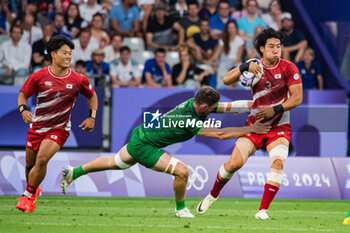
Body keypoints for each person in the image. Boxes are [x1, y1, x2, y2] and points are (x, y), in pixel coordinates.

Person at [60, 86, 270, 217]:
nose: (217, 108)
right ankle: (181, 209)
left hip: (141, 135)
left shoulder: (196, 103)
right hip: (145, 145)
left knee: (116, 162)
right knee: (182, 172)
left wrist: (256, 105)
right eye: (213, 106)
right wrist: (250, 129)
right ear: (204, 106)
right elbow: (220, 135)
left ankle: (74, 172)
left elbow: (229, 107)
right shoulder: (189, 118)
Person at [197, 28, 303, 219]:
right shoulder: (254, 67)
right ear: (262, 48)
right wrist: (244, 66)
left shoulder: (289, 68)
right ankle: (212, 195)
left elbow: (297, 99)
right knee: (233, 164)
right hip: (255, 125)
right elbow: (226, 79)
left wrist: (276, 109)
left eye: (278, 46)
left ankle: (262, 211)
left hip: (279, 126)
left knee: (278, 163)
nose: (276, 50)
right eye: (271, 46)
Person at [15, 35, 98, 213]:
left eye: (70, 53)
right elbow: (22, 94)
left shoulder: (78, 79)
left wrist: (92, 117)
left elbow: (92, 95)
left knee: (42, 159)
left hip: (59, 129)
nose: (68, 56)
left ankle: (26, 196)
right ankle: (34, 189)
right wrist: (23, 110)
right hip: (37, 127)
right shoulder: (39, 76)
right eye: (64, 53)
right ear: (53, 54)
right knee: (30, 165)